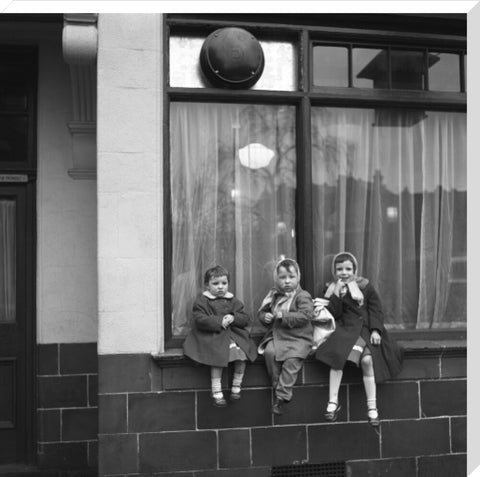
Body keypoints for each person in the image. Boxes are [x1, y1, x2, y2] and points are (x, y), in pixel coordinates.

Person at [314, 252, 403, 426]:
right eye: (339, 269)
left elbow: (376, 310)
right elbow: (334, 313)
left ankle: (372, 408)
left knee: (368, 361)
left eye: (348, 269)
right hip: (345, 330)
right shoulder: (332, 288)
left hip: (365, 330)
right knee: (337, 359)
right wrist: (336, 295)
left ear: (355, 269)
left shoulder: (365, 287)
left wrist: (376, 330)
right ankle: (333, 401)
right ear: (334, 271)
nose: (344, 273)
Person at [183, 265, 257, 407]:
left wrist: (234, 317)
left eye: (224, 283)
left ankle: (237, 385)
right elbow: (199, 319)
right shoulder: (202, 301)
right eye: (215, 284)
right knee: (217, 357)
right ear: (207, 285)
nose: (220, 287)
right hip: (213, 336)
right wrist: (218, 321)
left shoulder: (233, 301)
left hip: (233, 336)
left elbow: (245, 317)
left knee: (242, 355)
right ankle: (216, 390)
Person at [257, 258, 314, 415]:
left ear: (298, 278)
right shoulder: (274, 295)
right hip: (277, 335)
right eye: (282, 278)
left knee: (291, 361)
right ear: (276, 279)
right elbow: (262, 311)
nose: (287, 281)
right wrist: (265, 317)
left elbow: (306, 315)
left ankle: (282, 396)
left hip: (299, 337)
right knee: (269, 353)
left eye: (291, 277)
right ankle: (277, 385)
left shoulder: (302, 295)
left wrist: (283, 315)